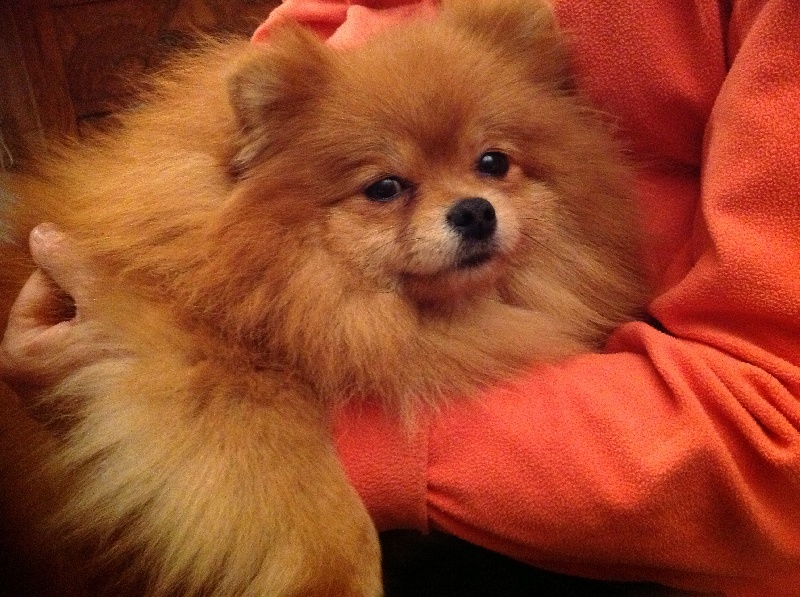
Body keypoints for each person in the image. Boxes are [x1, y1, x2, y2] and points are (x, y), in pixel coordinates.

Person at [3, 0, 800, 595]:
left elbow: (775, 433)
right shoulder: (251, 256)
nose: (470, 206)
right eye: (386, 189)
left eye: (492, 165)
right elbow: (324, 33)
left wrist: (343, 445)